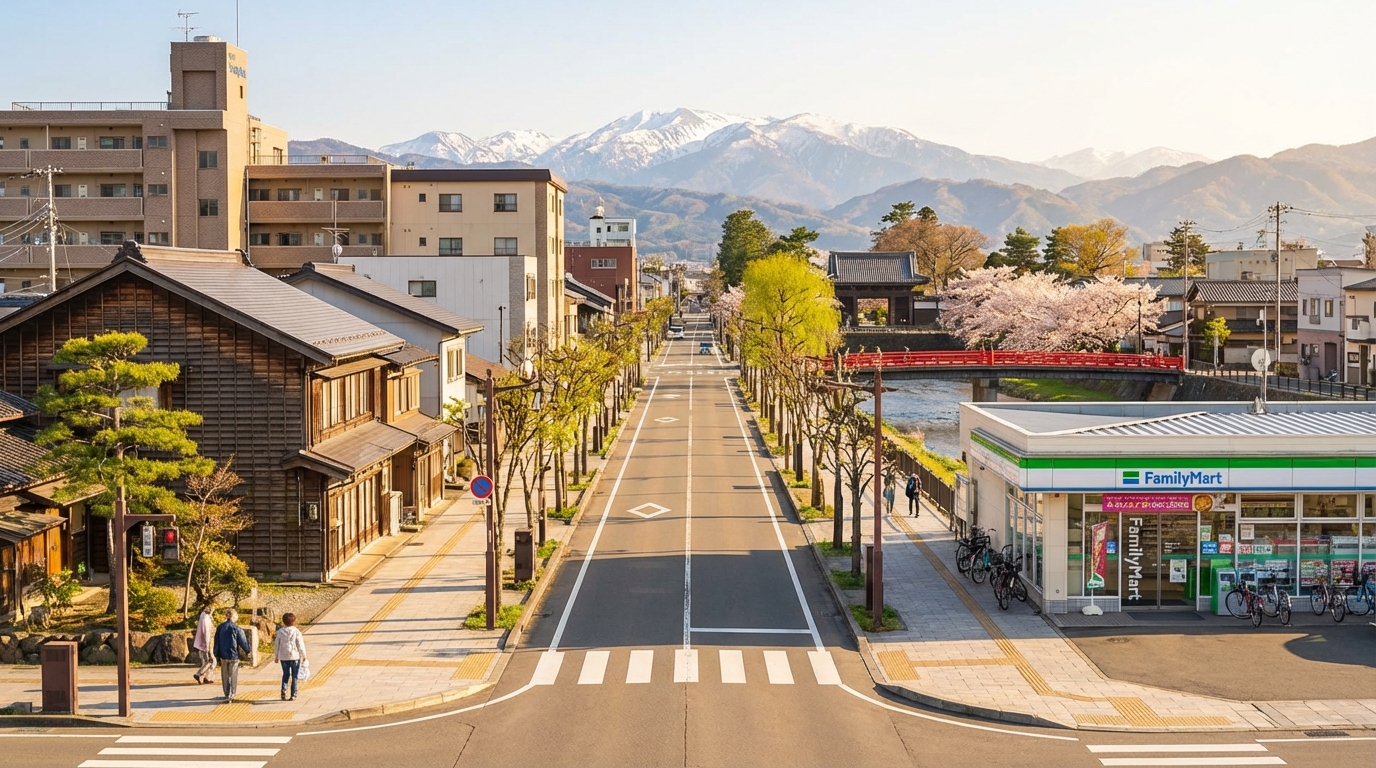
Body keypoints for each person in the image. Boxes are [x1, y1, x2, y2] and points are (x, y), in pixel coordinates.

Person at [213, 609, 252, 703]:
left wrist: (215, 654)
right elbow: (243, 641)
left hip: (223, 655)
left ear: (226, 616)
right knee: (233, 675)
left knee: (225, 675)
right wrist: (248, 651)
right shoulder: (236, 628)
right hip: (233, 655)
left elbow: (216, 642)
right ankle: (232, 693)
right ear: (234, 616)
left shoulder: (220, 627)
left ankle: (226, 693)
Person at [271, 612, 308, 701]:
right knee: (294, 676)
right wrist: (304, 655)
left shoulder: (280, 632)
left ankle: (284, 689)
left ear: (283, 621)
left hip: (283, 656)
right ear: (293, 621)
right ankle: (293, 694)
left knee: (286, 674)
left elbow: (277, 644)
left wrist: (276, 656)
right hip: (295, 656)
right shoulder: (296, 631)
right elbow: (300, 644)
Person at [191, 605, 216, 685]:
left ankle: (206, 677)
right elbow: (206, 631)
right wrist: (207, 644)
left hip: (206, 642)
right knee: (210, 661)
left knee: (208, 661)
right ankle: (199, 674)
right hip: (207, 643)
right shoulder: (205, 618)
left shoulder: (204, 617)